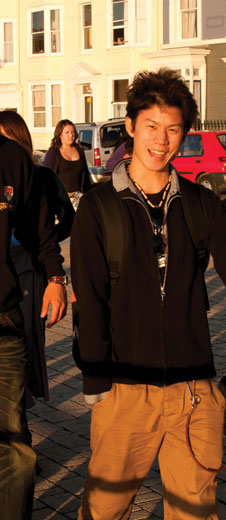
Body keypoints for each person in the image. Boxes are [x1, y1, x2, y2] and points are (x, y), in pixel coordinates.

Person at [70, 68, 226, 519]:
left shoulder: (202, 204)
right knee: (105, 510)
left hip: (193, 392)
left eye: (173, 129)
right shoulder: (99, 207)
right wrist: (97, 386)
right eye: (151, 126)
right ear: (130, 127)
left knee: (195, 512)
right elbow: (89, 299)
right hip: (124, 391)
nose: (161, 140)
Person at [0, 125, 67, 518]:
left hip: (5, 319)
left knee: (14, 447)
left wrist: (56, 279)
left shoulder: (11, 159)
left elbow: (41, 229)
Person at [43, 119, 92, 210]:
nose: (71, 135)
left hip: (79, 198)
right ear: (60, 134)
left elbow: (85, 177)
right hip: (61, 200)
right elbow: (46, 178)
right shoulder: (54, 152)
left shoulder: (80, 150)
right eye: (67, 132)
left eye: (73, 132)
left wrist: (88, 195)